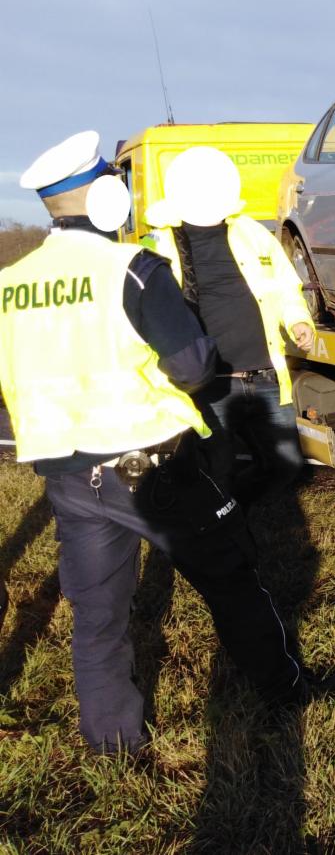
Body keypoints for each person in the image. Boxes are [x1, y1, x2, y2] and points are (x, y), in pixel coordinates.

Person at [0, 131, 306, 754]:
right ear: (105, 197)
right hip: (151, 467)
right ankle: (283, 692)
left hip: (67, 477)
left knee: (98, 617)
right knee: (230, 577)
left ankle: (114, 743)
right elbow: (192, 367)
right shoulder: (132, 270)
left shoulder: (11, 284)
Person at [143, 147, 315, 504]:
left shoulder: (252, 233)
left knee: (285, 464)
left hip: (265, 377)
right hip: (209, 384)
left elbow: (285, 286)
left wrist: (298, 320)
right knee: (215, 470)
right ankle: (222, 522)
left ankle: (234, 511)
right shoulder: (156, 244)